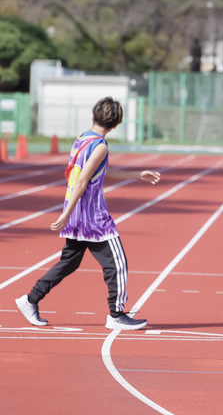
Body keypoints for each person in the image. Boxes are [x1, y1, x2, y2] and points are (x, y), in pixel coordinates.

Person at [14, 97, 161, 330]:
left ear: (93, 116)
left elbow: (98, 171)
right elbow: (82, 180)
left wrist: (136, 175)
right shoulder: (101, 146)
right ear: (115, 125)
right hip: (93, 219)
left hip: (77, 215)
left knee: (69, 262)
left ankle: (31, 299)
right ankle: (116, 314)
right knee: (117, 264)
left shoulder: (82, 138)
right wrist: (65, 214)